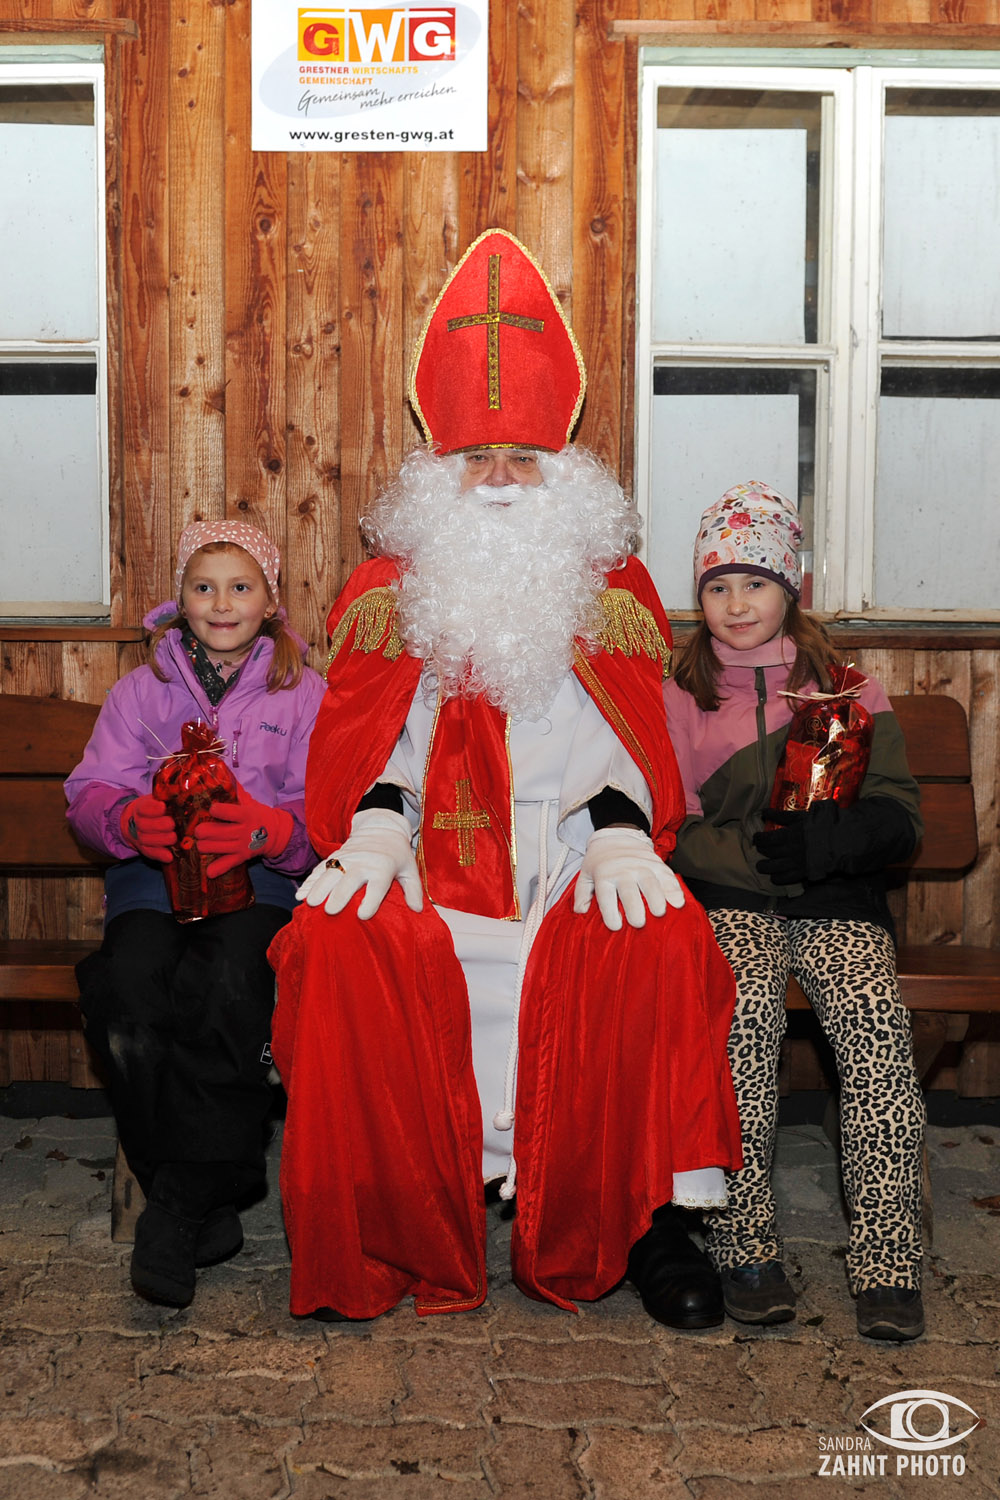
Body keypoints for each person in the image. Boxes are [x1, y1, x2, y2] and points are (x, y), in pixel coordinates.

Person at [268, 227, 742, 1326]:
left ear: (561, 475)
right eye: (475, 458)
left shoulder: (610, 590)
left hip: (571, 855)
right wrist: (376, 831)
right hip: (427, 864)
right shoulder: (390, 592)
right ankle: (380, 1224)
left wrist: (620, 834)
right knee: (335, 943)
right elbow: (369, 743)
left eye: (522, 458)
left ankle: (652, 1225)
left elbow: (629, 741)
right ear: (437, 476)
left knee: (662, 941)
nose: (496, 481)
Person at [663, 481, 926, 1342]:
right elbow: (670, 823)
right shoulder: (680, 694)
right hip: (733, 902)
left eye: (756, 583)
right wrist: (747, 858)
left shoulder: (850, 690)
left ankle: (888, 1259)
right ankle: (744, 1246)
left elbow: (900, 814)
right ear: (699, 595)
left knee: (876, 1034)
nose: (737, 604)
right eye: (718, 586)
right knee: (739, 1030)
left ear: (791, 588)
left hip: (836, 899)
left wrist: (834, 844)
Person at [66, 520, 326, 1308]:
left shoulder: (304, 693)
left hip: (260, 886)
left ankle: (176, 1208)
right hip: (151, 883)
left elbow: (330, 807)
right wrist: (123, 820)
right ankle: (205, 1193)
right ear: (179, 599)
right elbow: (90, 790)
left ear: (270, 602)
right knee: (125, 989)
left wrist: (275, 832)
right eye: (203, 586)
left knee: (230, 986)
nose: (221, 602)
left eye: (240, 586)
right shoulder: (139, 692)